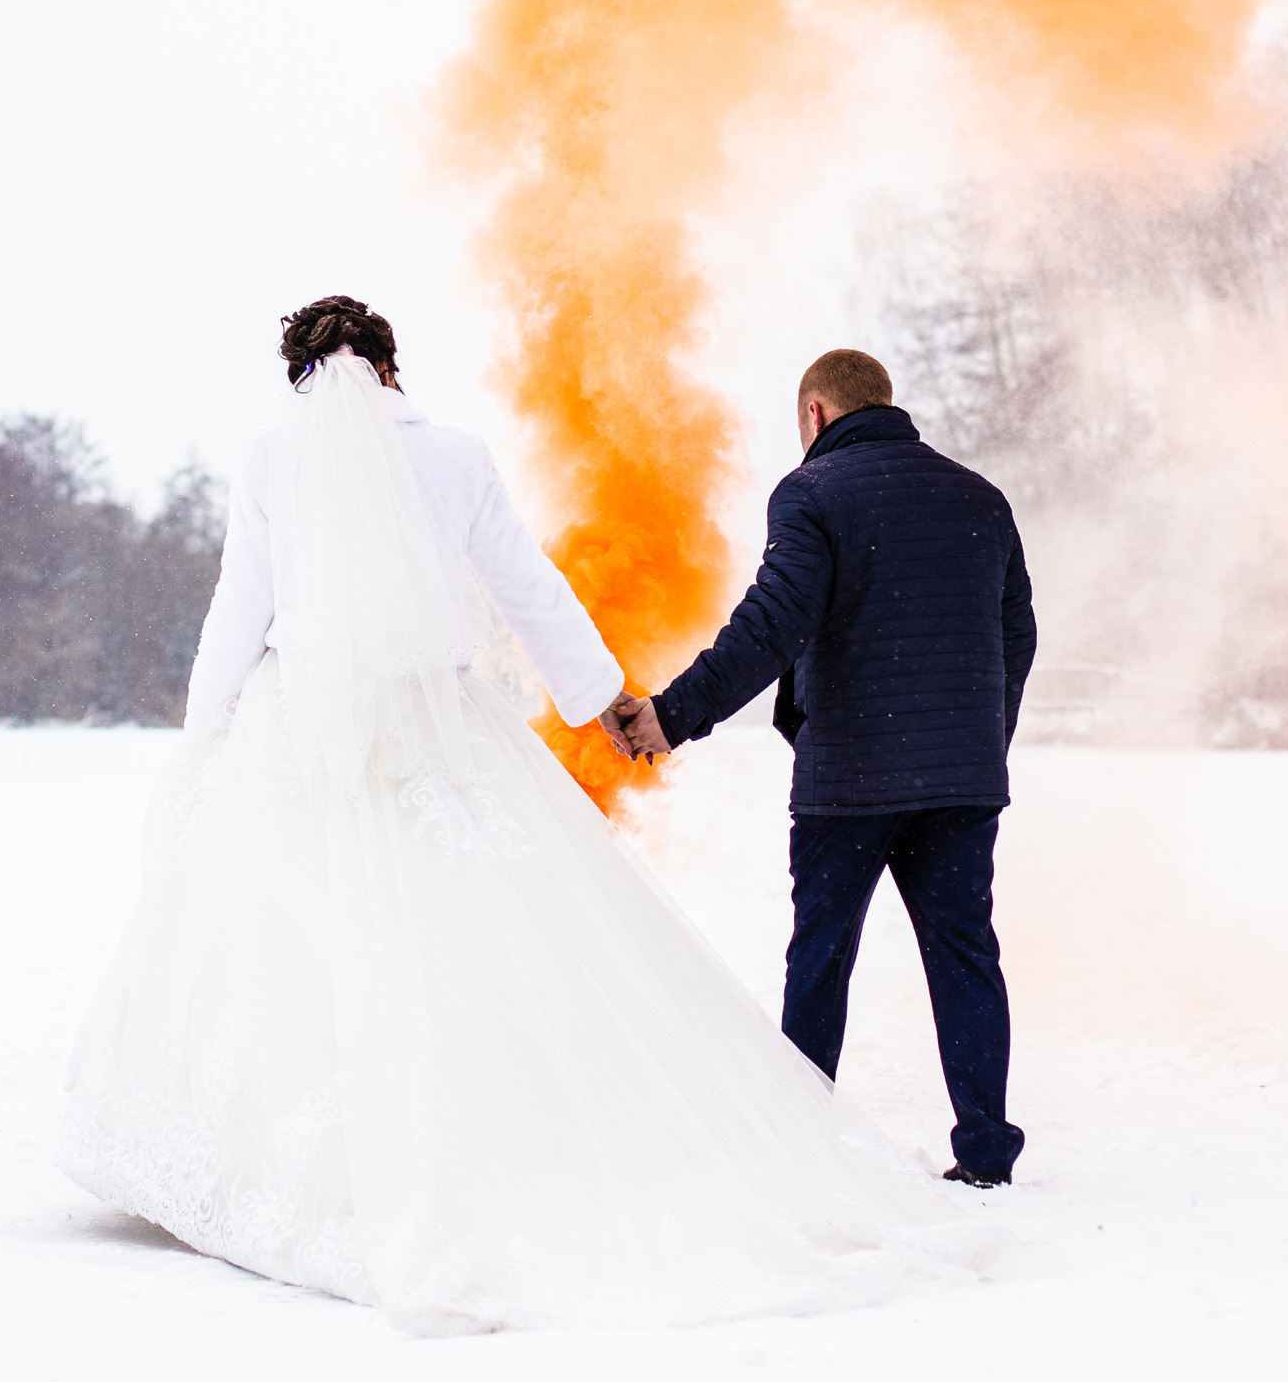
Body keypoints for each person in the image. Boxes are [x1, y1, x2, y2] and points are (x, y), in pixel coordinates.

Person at [60, 299, 1001, 1335]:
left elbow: (239, 606)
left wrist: (208, 733)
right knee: (470, 927)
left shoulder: (269, 459)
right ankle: (510, 1134)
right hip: (439, 721)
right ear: (389, 367)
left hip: (303, 726)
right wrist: (603, 696)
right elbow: (528, 585)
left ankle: (309, 1148)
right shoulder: (455, 458)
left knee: (302, 929)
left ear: (302, 374)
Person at [608, 349, 1036, 1188]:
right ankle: (986, 1152)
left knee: (822, 957)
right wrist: (983, 736)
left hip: (853, 778)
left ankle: (794, 1149)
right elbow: (1017, 633)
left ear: (815, 413)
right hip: (961, 781)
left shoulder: (811, 493)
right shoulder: (980, 498)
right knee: (965, 955)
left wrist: (669, 715)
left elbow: (770, 627)